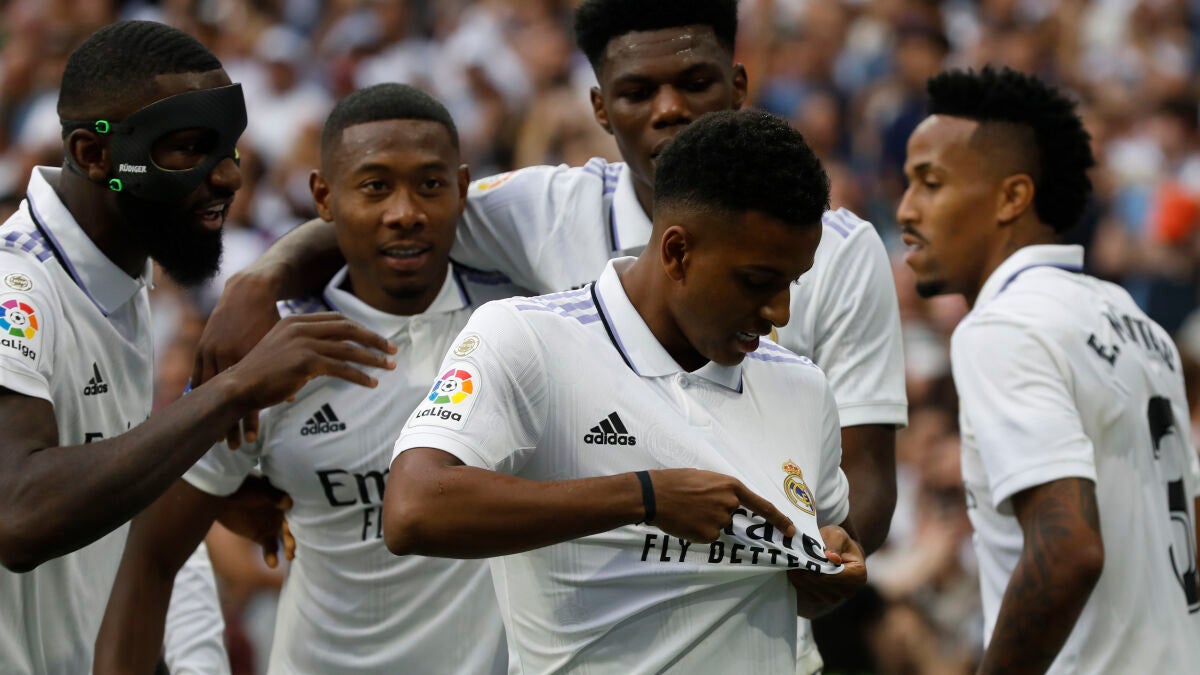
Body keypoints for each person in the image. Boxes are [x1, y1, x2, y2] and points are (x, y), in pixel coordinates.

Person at [196, 8, 905, 668]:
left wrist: (833, 558)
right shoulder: (535, 251)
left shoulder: (818, 315)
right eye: (639, 90)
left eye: (694, 82)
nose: (669, 109)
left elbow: (851, 496)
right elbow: (394, 211)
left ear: (739, 84)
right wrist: (259, 279)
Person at [384, 108, 866, 673]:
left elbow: (823, 560)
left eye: (792, 282)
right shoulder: (527, 338)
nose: (779, 311)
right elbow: (413, 509)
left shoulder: (803, 386)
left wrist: (832, 563)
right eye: (758, 281)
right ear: (677, 252)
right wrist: (646, 496)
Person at [0, 21, 395, 674]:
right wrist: (232, 391)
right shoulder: (16, 287)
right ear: (95, 155)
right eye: (189, 149)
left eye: (230, 148)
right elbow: (17, 515)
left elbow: (116, 510)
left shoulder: (117, 277)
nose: (231, 175)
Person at [95, 83, 510, 675]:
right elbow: (151, 553)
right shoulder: (263, 354)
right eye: (375, 186)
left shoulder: (519, 325)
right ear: (323, 196)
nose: (405, 212)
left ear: (463, 189)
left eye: (430, 185)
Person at [898, 65, 1200, 674]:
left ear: (1012, 197)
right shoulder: (1133, 319)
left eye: (931, 183)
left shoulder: (1002, 326)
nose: (906, 209)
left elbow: (1067, 550)